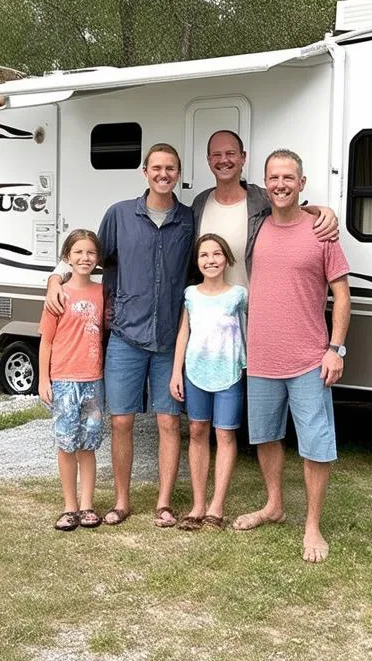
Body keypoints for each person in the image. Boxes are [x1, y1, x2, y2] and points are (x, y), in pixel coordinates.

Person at [45, 143, 194, 528]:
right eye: (156, 167)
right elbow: (88, 256)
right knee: (121, 422)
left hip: (166, 339)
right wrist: (53, 278)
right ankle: (122, 501)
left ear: (178, 173)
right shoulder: (119, 215)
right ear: (145, 172)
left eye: (171, 168)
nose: (164, 174)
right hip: (126, 336)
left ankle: (163, 504)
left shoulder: (188, 220)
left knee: (167, 423)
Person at [234, 149, 351, 563]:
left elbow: (342, 295)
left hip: (308, 358)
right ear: (265, 185)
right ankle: (274, 505)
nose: (280, 184)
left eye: (288, 177)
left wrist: (335, 349)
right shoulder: (257, 227)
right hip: (262, 356)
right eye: (273, 178)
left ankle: (313, 525)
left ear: (302, 183)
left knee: (315, 444)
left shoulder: (322, 232)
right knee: (265, 436)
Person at [169, 233, 248, 531]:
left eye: (216, 254)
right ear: (197, 261)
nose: (211, 260)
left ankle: (217, 506)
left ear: (226, 259)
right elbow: (183, 334)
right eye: (204, 255)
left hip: (228, 372)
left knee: (225, 435)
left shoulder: (238, 294)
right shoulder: (191, 294)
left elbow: (247, 329)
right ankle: (198, 504)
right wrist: (177, 372)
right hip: (196, 373)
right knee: (197, 430)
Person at [191, 129, 339, 287]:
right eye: (217, 154)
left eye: (230, 153)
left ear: (243, 157)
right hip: (211, 307)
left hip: (254, 307)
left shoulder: (262, 200)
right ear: (209, 160)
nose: (224, 160)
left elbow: (292, 211)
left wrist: (320, 211)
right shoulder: (200, 202)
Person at [38, 229, 106, 532]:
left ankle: (88, 504)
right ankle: (69, 506)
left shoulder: (101, 292)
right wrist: (44, 379)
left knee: (88, 444)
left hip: (93, 379)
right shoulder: (58, 294)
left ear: (97, 258)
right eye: (78, 252)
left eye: (90, 252)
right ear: (67, 257)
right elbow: (47, 342)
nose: (85, 258)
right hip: (64, 379)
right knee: (66, 444)